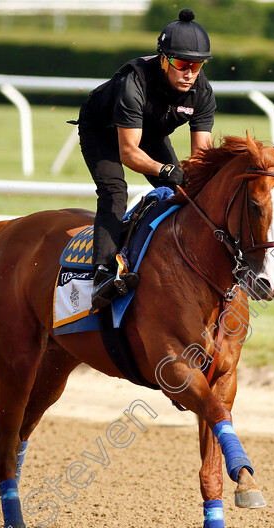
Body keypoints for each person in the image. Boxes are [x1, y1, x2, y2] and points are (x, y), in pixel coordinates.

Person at [77, 8, 216, 309]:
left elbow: (201, 156)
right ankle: (102, 273)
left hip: (148, 132)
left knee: (185, 191)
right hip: (103, 130)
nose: (190, 73)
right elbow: (128, 152)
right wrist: (166, 169)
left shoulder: (202, 92)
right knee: (115, 191)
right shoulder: (134, 83)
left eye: (197, 65)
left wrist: (196, 180)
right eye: (182, 63)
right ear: (164, 60)